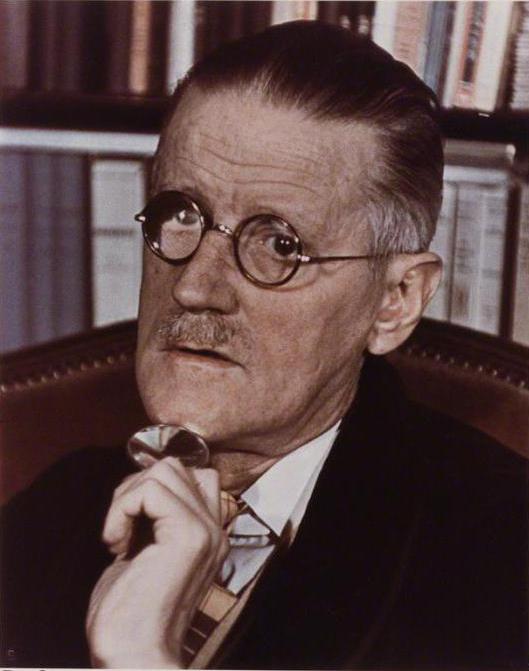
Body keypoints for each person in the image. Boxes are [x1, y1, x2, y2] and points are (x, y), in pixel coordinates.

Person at [1, 20, 527, 670]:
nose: (193, 287)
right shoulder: (55, 511)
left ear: (395, 301)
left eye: (280, 245)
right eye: (181, 215)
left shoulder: (502, 557)